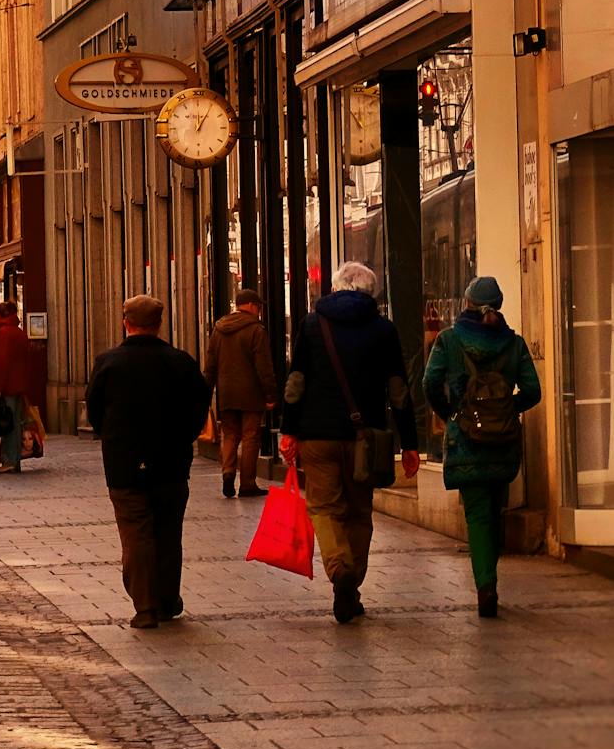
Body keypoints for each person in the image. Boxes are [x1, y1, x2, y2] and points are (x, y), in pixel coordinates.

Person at [279, 261, 420, 624]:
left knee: (325, 509)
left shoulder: (312, 324)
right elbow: (398, 390)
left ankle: (339, 569)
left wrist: (289, 430)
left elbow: (296, 382)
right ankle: (351, 584)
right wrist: (410, 443)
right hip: (365, 440)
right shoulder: (383, 330)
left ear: (337, 287)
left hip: (317, 436)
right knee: (359, 512)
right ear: (372, 293)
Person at [86, 296, 211, 629]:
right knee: (168, 531)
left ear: (126, 323)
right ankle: (168, 599)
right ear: (159, 324)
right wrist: (185, 436)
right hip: (171, 463)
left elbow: (94, 410)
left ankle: (145, 605)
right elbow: (200, 406)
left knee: (136, 534)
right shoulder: (180, 362)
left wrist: (110, 437)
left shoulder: (108, 363)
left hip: (124, 464)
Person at [423, 277, 542, 619]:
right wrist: (505, 411)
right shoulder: (514, 343)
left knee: (476, 514)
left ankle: (486, 586)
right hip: (502, 443)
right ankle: (490, 577)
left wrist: (451, 414)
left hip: (466, 441)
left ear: (467, 304)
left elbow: (430, 383)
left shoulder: (448, 340)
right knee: (494, 510)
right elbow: (532, 392)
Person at [204, 288, 280, 499]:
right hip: (251, 394)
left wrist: (205, 394)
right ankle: (247, 484)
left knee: (229, 434)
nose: (258, 311)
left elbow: (210, 366)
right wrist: (271, 395)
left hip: (227, 394)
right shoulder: (256, 330)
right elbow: (264, 367)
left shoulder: (219, 329)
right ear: (251, 306)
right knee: (250, 438)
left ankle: (228, 473)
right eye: (258, 307)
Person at [0, 302, 44, 473]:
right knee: (14, 422)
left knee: (9, 423)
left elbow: (1, 363)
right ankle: (13, 460)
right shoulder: (18, 332)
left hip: (8, 386)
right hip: (18, 385)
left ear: (1, 316)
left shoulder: (5, 334)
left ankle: (10, 460)